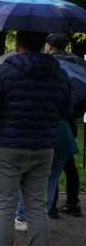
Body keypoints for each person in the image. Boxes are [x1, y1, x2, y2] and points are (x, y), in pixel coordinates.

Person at [0, 30, 70, 246]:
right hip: (43, 148)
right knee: (37, 208)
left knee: (5, 208)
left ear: (17, 44)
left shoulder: (3, 72)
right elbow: (65, 108)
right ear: (44, 45)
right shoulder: (59, 74)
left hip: (7, 147)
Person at [44, 34, 86, 217]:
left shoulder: (48, 65)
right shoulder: (78, 64)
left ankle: (51, 208)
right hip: (72, 120)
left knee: (50, 166)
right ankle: (72, 204)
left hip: (55, 120)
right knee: (68, 164)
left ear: (49, 46)